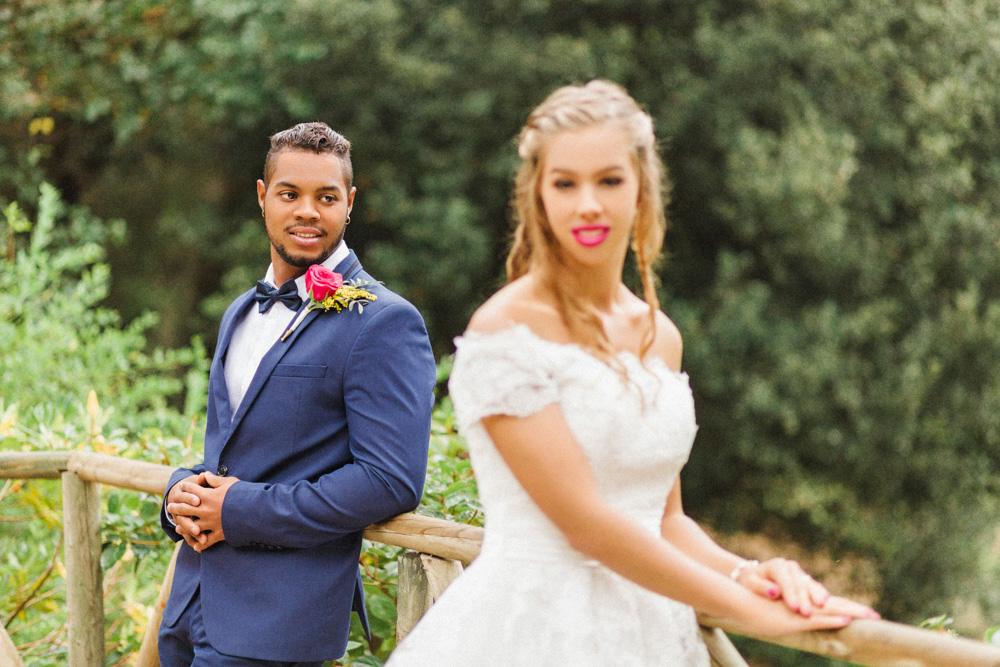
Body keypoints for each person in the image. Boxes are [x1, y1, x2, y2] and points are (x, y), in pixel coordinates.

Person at [387, 81, 879, 666]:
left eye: (609, 181)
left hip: (651, 635)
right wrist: (756, 616)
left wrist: (754, 575)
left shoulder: (659, 335)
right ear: (537, 195)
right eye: (565, 184)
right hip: (531, 635)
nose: (588, 204)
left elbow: (663, 520)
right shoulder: (506, 331)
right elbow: (588, 527)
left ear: (642, 189)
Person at [158, 122, 437, 666]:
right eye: (290, 194)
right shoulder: (241, 309)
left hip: (275, 626)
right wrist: (180, 491)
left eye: (326, 197)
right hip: (191, 607)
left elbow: (390, 480)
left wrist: (237, 509)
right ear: (263, 197)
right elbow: (239, 452)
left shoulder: (384, 322)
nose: (307, 211)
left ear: (349, 204)